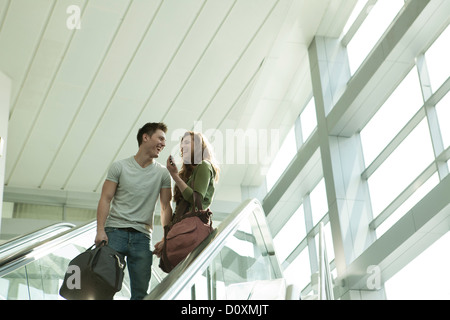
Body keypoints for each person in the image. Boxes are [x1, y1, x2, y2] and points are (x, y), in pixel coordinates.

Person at [95, 122, 173, 300]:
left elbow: (165, 206)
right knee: (104, 290)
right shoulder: (119, 167)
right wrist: (100, 230)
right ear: (145, 137)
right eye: (160, 138)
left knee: (140, 295)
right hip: (114, 233)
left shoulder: (162, 174)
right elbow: (105, 199)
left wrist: (166, 238)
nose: (164, 143)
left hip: (142, 238)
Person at [153, 131, 220, 260]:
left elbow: (196, 200)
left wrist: (175, 176)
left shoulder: (204, 166)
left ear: (199, 146)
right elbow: (180, 212)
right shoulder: (189, 175)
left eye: (188, 143)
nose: (183, 147)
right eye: (182, 145)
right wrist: (166, 239)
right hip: (183, 231)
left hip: (191, 231)